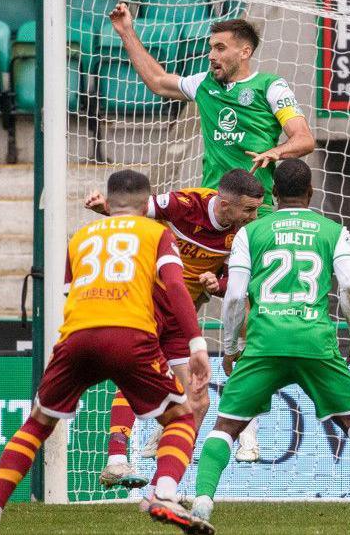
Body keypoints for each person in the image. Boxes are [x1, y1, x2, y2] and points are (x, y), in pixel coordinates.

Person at [0, 171, 212, 535]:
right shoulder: (156, 232)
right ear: (146, 202)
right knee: (181, 418)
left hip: (76, 337)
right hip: (131, 336)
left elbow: (71, 292)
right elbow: (176, 286)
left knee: (37, 423)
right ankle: (163, 493)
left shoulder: (81, 237)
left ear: (110, 201)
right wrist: (196, 344)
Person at [190, 159, 350, 524]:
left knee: (227, 427)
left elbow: (234, 297)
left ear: (274, 195)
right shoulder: (334, 231)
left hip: (265, 342)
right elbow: (349, 288)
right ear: (311, 193)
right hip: (316, 340)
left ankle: (202, 502)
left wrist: (232, 346)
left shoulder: (250, 233)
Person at [84, 170, 267, 492]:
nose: (254, 217)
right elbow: (137, 214)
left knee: (198, 399)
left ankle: (164, 484)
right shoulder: (186, 203)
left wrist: (219, 283)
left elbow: (238, 283)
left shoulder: (244, 234)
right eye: (249, 210)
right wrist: (106, 209)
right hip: (146, 305)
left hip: (182, 318)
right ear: (224, 205)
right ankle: (115, 460)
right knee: (132, 377)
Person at [109, 4, 314, 214]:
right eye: (211, 48)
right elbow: (158, 81)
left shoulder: (271, 86)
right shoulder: (204, 84)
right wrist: (126, 31)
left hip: (255, 208)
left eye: (220, 48)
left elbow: (305, 139)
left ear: (245, 52)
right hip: (212, 207)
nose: (211, 55)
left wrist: (275, 152)